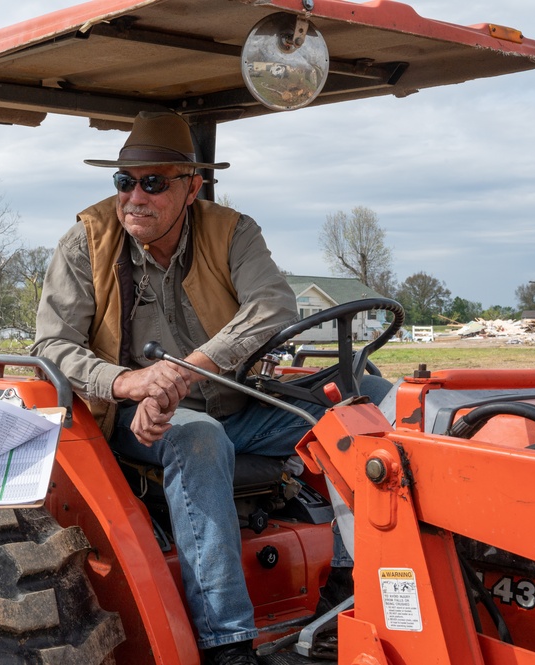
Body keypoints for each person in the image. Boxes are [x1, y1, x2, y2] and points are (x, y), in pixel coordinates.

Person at [32, 111, 335, 665]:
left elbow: (272, 305)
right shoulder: (87, 242)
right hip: (132, 416)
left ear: (192, 187)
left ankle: (347, 580)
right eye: (124, 182)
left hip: (235, 402)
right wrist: (131, 382)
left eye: (154, 182)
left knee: (351, 401)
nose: (134, 197)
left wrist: (182, 374)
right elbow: (51, 346)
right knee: (199, 441)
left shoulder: (233, 232)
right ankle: (228, 642)